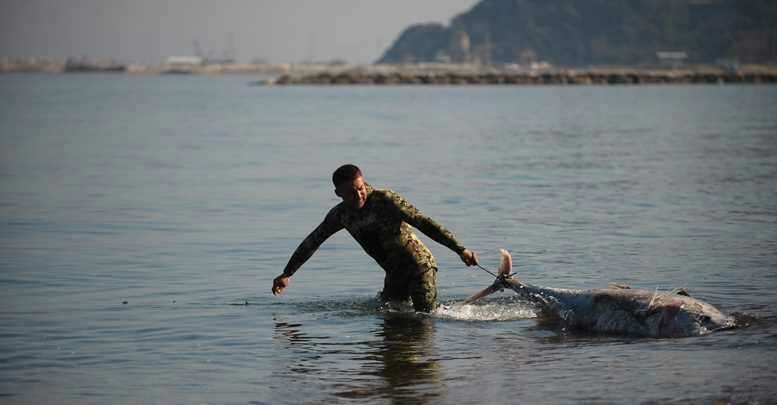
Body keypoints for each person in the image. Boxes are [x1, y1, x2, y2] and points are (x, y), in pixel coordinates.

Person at [271, 164, 479, 312]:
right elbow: (312, 241)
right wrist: (287, 273)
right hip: (394, 274)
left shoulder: (385, 200)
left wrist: (460, 250)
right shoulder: (340, 215)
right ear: (338, 193)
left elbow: (424, 223)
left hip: (419, 267)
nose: (359, 195)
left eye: (361, 188)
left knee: (423, 320)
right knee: (390, 322)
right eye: (352, 193)